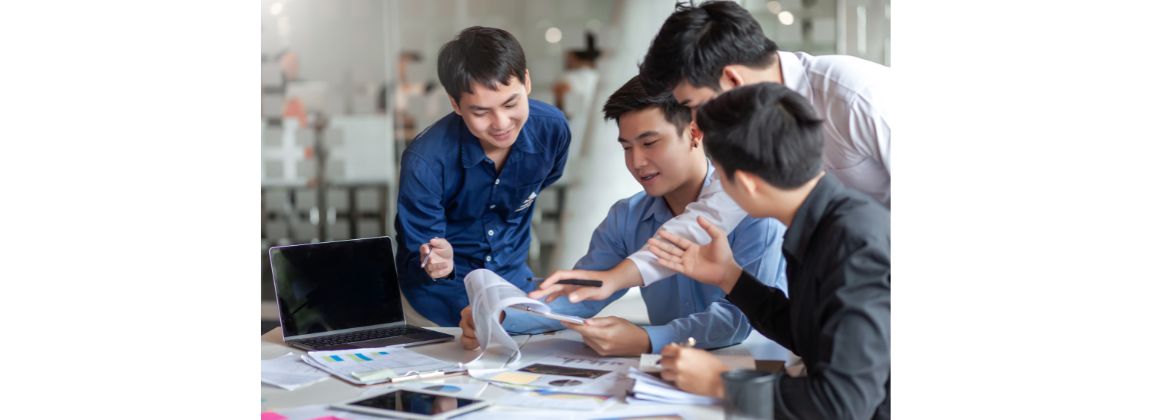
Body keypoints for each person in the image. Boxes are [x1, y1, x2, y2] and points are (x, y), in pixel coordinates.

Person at [535, 0, 891, 308]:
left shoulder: (857, 97)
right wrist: (615, 278)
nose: (696, 122)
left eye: (693, 105)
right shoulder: (751, 132)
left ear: (732, 80)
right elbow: (706, 219)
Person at [458, 76, 787, 356]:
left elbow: (739, 320)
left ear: (695, 133)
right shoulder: (626, 218)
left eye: (650, 143)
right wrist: (503, 317)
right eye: (627, 147)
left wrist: (647, 339)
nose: (637, 161)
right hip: (662, 380)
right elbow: (579, 298)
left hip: (753, 376)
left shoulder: (754, 209)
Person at [649, 83, 890, 419]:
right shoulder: (823, 221)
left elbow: (842, 404)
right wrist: (729, 276)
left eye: (719, 174)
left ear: (746, 183)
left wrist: (721, 382)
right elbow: (811, 337)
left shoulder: (853, 241)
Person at [394, 26, 571, 326]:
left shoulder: (552, 130)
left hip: (514, 289)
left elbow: (547, 180)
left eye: (510, 103)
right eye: (481, 112)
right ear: (455, 104)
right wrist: (438, 262)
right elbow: (421, 253)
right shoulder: (425, 161)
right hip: (441, 303)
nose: (501, 123)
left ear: (526, 81)